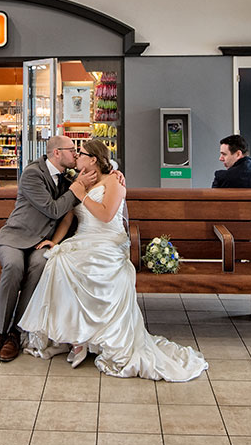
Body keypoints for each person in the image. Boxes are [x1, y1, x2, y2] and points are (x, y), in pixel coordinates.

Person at [19, 140, 208, 381]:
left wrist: (81, 195)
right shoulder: (78, 181)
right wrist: (55, 241)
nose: (76, 157)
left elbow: (107, 216)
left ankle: (94, 337)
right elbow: (67, 218)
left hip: (109, 240)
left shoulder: (114, 182)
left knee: (90, 265)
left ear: (93, 159)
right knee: (58, 260)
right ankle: (75, 337)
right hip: (84, 237)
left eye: (81, 154)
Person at [0, 135, 91, 364]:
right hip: (15, 237)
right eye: (72, 150)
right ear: (57, 153)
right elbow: (52, 210)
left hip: (42, 242)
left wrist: (115, 174)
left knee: (40, 265)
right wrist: (77, 188)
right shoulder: (33, 173)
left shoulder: (68, 177)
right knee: (13, 267)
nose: (76, 154)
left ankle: (15, 332)